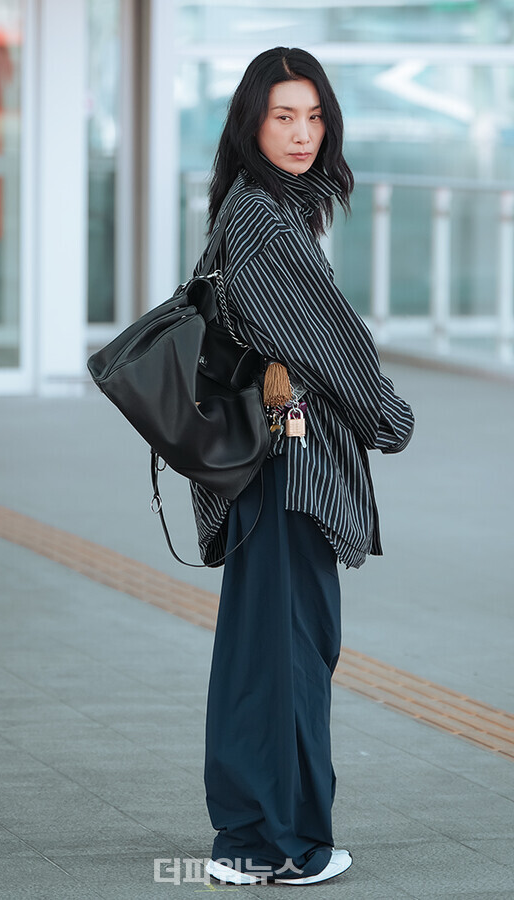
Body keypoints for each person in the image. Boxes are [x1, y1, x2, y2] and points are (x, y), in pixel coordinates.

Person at [190, 47, 415, 887]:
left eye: (314, 116)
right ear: (252, 122)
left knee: (264, 651)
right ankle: (282, 844)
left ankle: (248, 837)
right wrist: (391, 419)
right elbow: (333, 348)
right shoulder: (264, 222)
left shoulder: (259, 208)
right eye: (284, 115)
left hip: (266, 466)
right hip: (288, 469)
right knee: (289, 653)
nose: (302, 133)